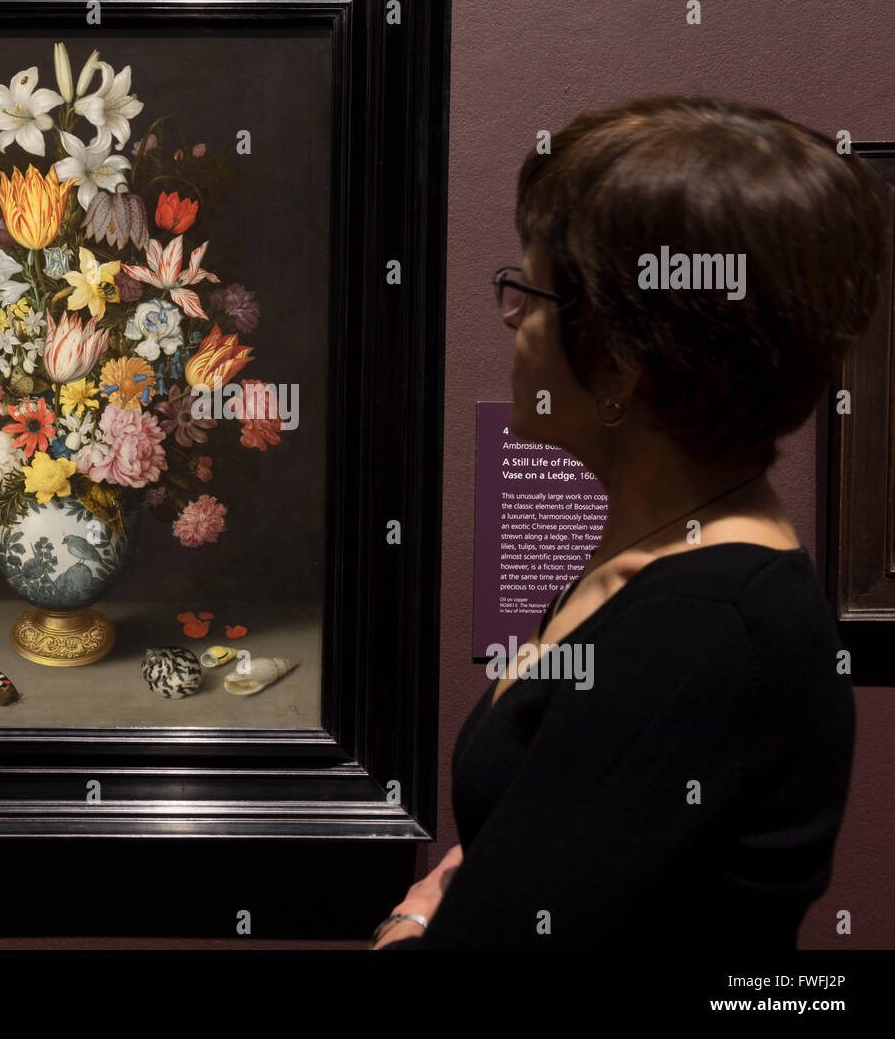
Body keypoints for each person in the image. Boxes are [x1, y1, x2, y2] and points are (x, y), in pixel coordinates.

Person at [373, 95, 893, 949]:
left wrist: (411, 917)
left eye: (529, 293)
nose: (511, 319)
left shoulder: (702, 635)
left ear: (619, 361)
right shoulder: (652, 564)